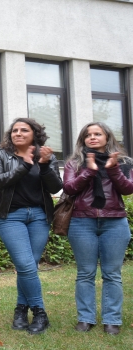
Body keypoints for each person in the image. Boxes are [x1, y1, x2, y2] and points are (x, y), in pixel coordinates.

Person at [0, 118, 62, 335]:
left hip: (38, 216)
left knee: (29, 266)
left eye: (24, 130)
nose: (17, 133)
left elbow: (56, 186)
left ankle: (20, 310)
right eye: (14, 130)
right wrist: (25, 165)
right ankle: (39, 312)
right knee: (26, 266)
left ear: (34, 134)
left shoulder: (47, 157)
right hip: (10, 216)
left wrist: (44, 165)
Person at [63, 122, 133, 335]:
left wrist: (112, 169)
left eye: (97, 134)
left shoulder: (123, 162)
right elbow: (69, 187)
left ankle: (112, 320)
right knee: (85, 273)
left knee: (112, 273)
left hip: (115, 221)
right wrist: (89, 172)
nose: (92, 138)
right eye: (88, 135)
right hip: (82, 221)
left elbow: (127, 189)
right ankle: (86, 318)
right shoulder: (75, 162)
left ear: (107, 136)